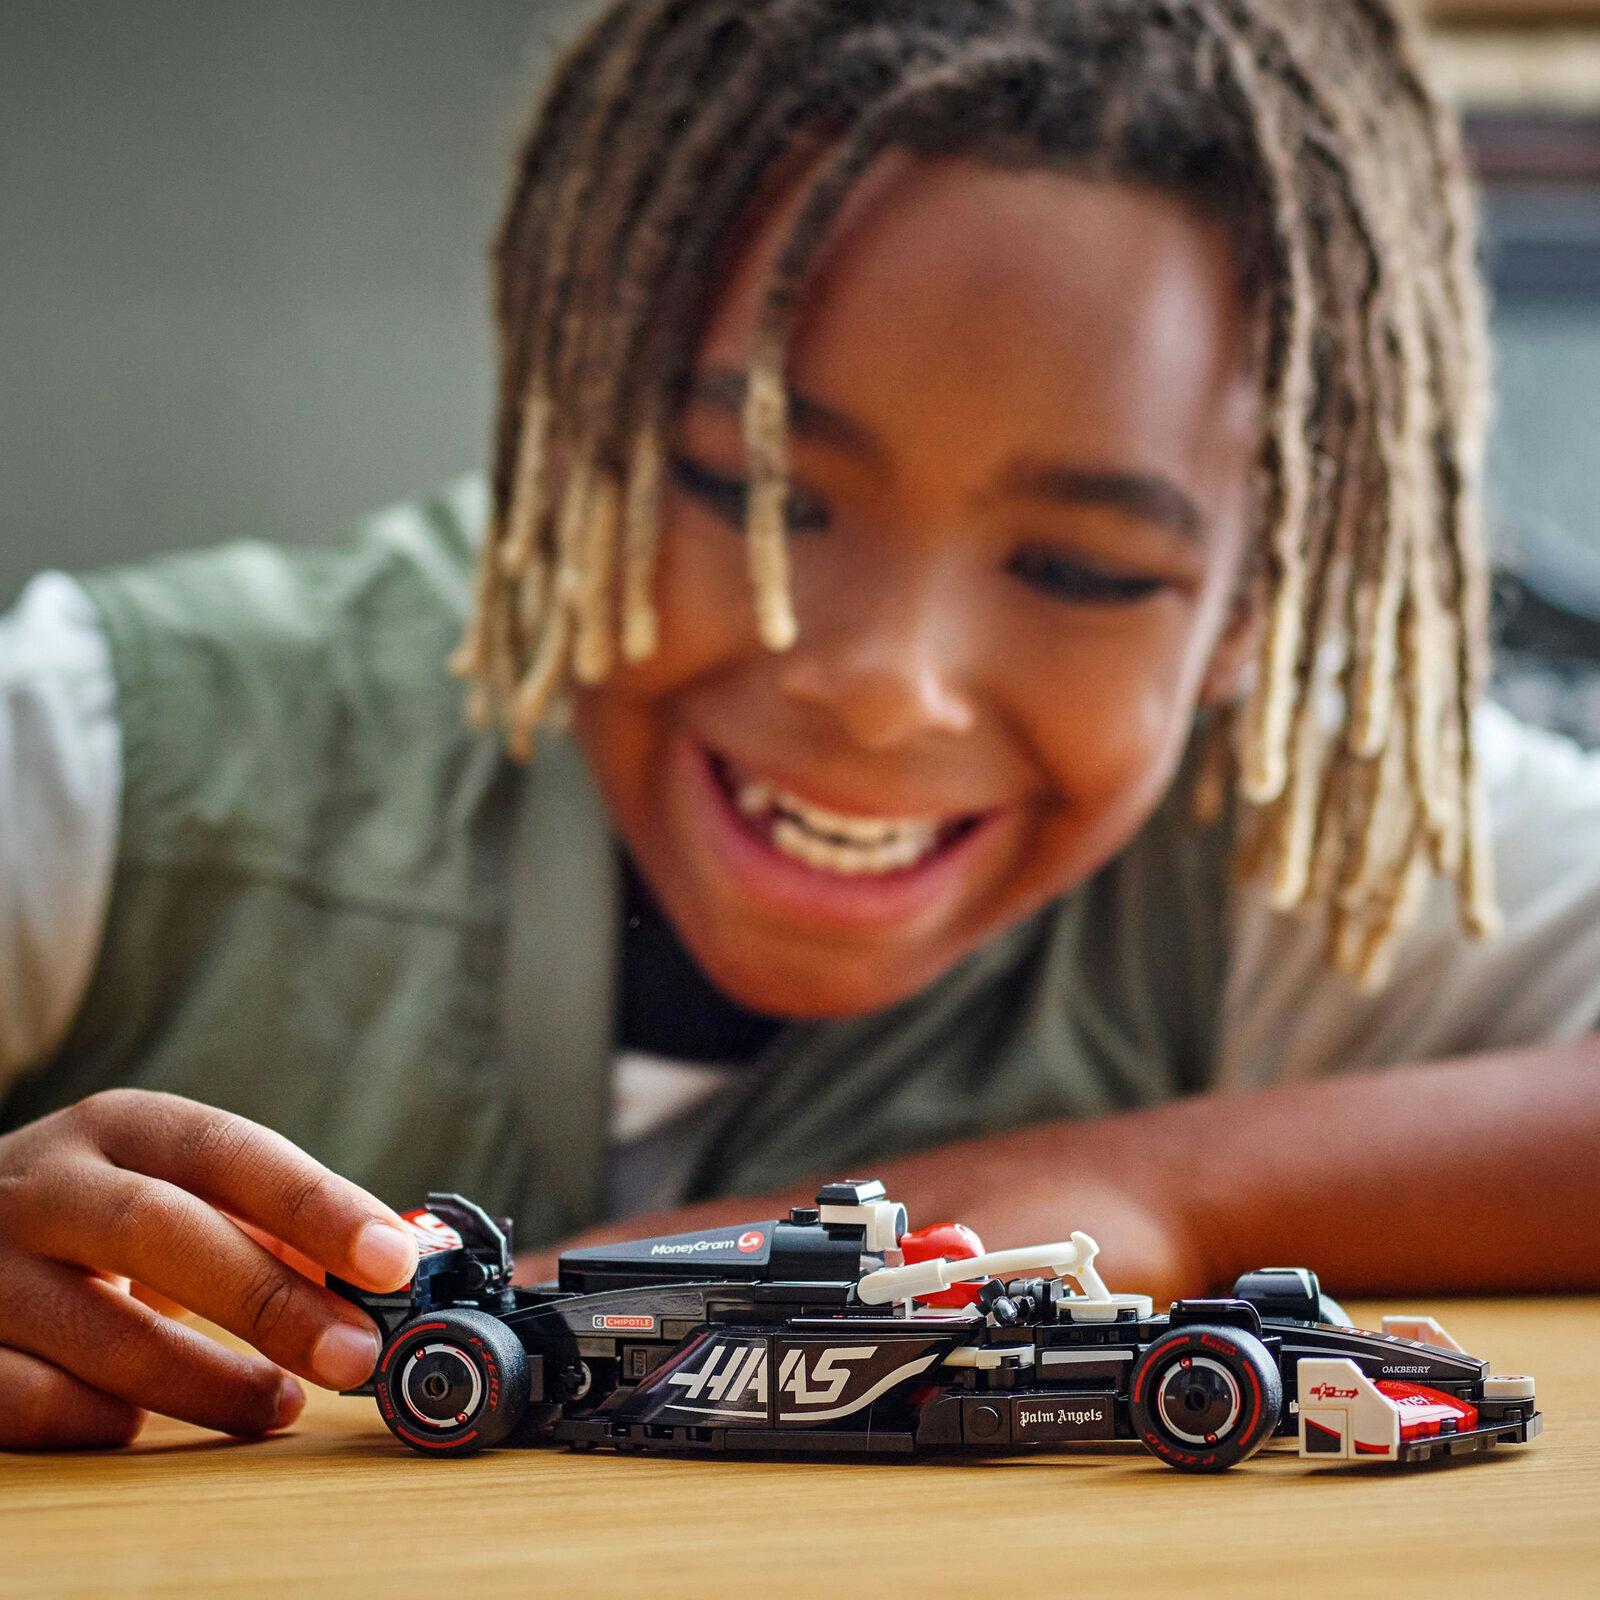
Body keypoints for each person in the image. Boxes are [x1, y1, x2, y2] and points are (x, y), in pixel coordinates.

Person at [1, 0, 1597, 1453]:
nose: (887, 683)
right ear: (571, 411)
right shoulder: (111, 750)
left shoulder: (1300, 840)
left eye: (1082, 569)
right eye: (751, 491)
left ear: (1259, 605)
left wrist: (1142, 1187)